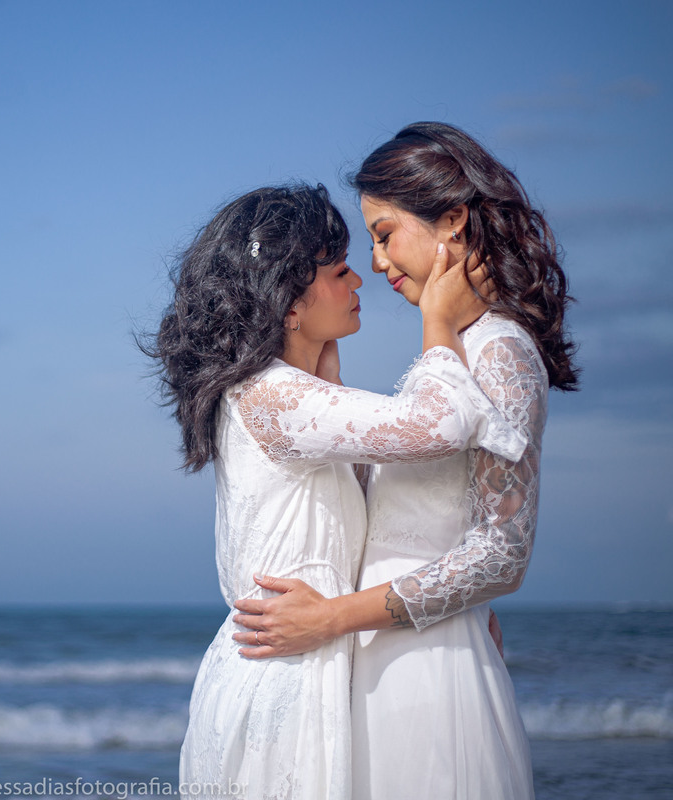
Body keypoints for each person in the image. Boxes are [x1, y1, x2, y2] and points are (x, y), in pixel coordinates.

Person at [145, 183, 526, 799]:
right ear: (287, 302)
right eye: (340, 269)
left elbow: (371, 516)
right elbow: (443, 425)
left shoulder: (287, 394)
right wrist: (439, 322)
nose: (361, 281)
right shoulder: (268, 394)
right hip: (285, 686)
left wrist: (454, 601)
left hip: (313, 667)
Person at [232, 122, 578, 799]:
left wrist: (333, 618)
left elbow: (503, 553)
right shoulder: (449, 354)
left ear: (452, 219)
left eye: (386, 235)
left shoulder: (498, 350)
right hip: (379, 658)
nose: (380, 264)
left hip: (427, 670)